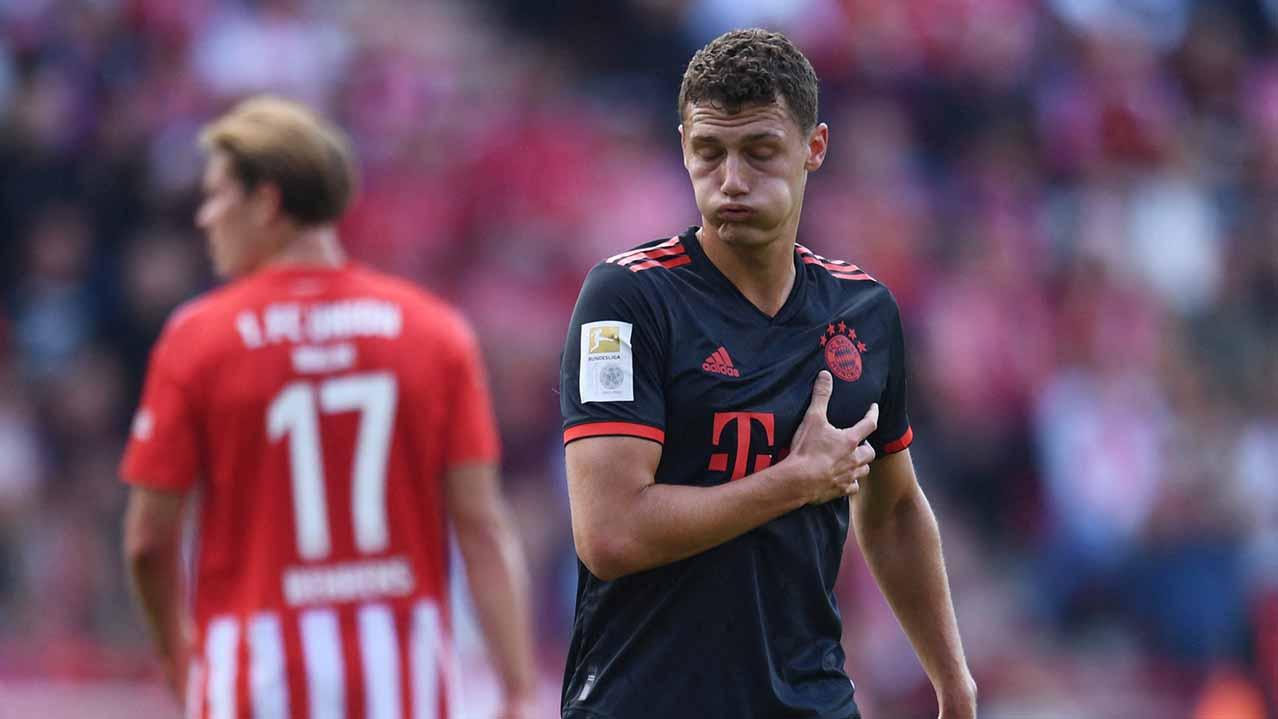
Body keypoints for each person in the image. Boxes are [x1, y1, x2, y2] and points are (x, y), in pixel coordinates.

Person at [559, 29, 976, 719]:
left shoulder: (863, 311)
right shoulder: (626, 301)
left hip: (808, 698)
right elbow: (611, 533)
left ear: (814, 148)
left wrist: (952, 680)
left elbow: (895, 510)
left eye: (759, 153)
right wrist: (792, 482)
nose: (730, 181)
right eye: (708, 153)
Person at [120, 96, 537, 719]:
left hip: (252, 679)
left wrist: (181, 661)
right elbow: (480, 527)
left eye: (215, 195)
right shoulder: (435, 332)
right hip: (404, 682)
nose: (205, 218)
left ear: (265, 201)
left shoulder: (199, 337)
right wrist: (516, 687)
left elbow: (149, 542)